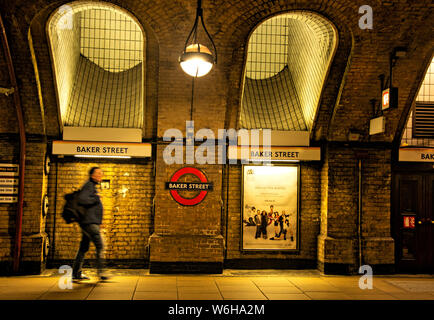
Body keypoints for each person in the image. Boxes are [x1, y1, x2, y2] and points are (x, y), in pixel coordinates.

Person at [72, 167, 109, 281]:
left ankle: (76, 273)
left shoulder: (91, 186)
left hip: (90, 222)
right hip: (90, 223)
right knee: (100, 246)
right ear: (92, 175)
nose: (100, 175)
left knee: (83, 247)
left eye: (101, 173)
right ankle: (101, 273)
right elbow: (82, 200)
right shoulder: (88, 185)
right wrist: (96, 198)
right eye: (98, 173)